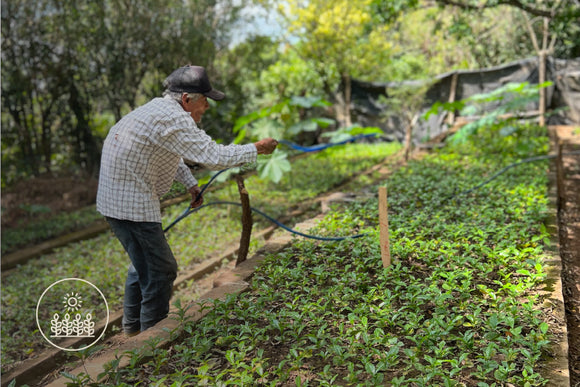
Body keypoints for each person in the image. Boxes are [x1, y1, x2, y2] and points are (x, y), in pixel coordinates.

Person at [97, 65, 278, 336]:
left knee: (142, 264)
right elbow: (213, 156)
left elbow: (169, 153)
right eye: (205, 101)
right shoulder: (175, 119)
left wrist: (191, 185)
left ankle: (132, 331)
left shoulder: (158, 110)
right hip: (130, 202)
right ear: (186, 99)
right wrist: (256, 149)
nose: (206, 107)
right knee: (160, 270)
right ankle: (149, 341)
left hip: (116, 198)